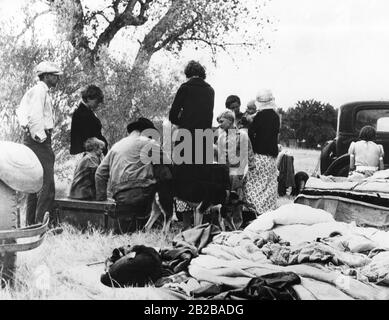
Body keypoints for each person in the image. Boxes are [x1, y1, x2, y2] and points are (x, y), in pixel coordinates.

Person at [95, 118, 171, 233]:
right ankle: (163, 222)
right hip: (143, 194)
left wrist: (102, 201)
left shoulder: (116, 146)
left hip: (120, 196)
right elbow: (168, 163)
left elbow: (100, 173)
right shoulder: (148, 143)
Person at [16, 61, 62, 225]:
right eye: (55, 76)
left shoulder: (37, 91)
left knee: (34, 183)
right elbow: (34, 116)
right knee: (47, 184)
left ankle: (32, 223)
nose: (57, 79)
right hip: (39, 141)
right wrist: (40, 137)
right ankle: (41, 223)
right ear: (47, 76)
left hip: (34, 140)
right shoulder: (39, 91)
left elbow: (21, 112)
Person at [244, 89, 280, 215]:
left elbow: (252, 134)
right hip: (271, 158)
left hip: (258, 155)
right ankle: (267, 212)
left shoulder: (259, 117)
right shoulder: (276, 116)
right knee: (269, 185)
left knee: (253, 185)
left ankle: (254, 211)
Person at [215, 110, 253, 229]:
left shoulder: (242, 135)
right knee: (224, 199)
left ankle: (237, 226)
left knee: (236, 200)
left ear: (230, 121)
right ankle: (225, 225)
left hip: (237, 173)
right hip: (223, 173)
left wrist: (243, 173)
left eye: (222, 121)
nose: (220, 124)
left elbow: (249, 154)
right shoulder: (221, 137)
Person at [70, 85, 108, 156]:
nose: (98, 104)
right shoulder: (82, 114)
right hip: (88, 153)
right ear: (88, 98)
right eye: (96, 101)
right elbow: (90, 137)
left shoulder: (86, 111)